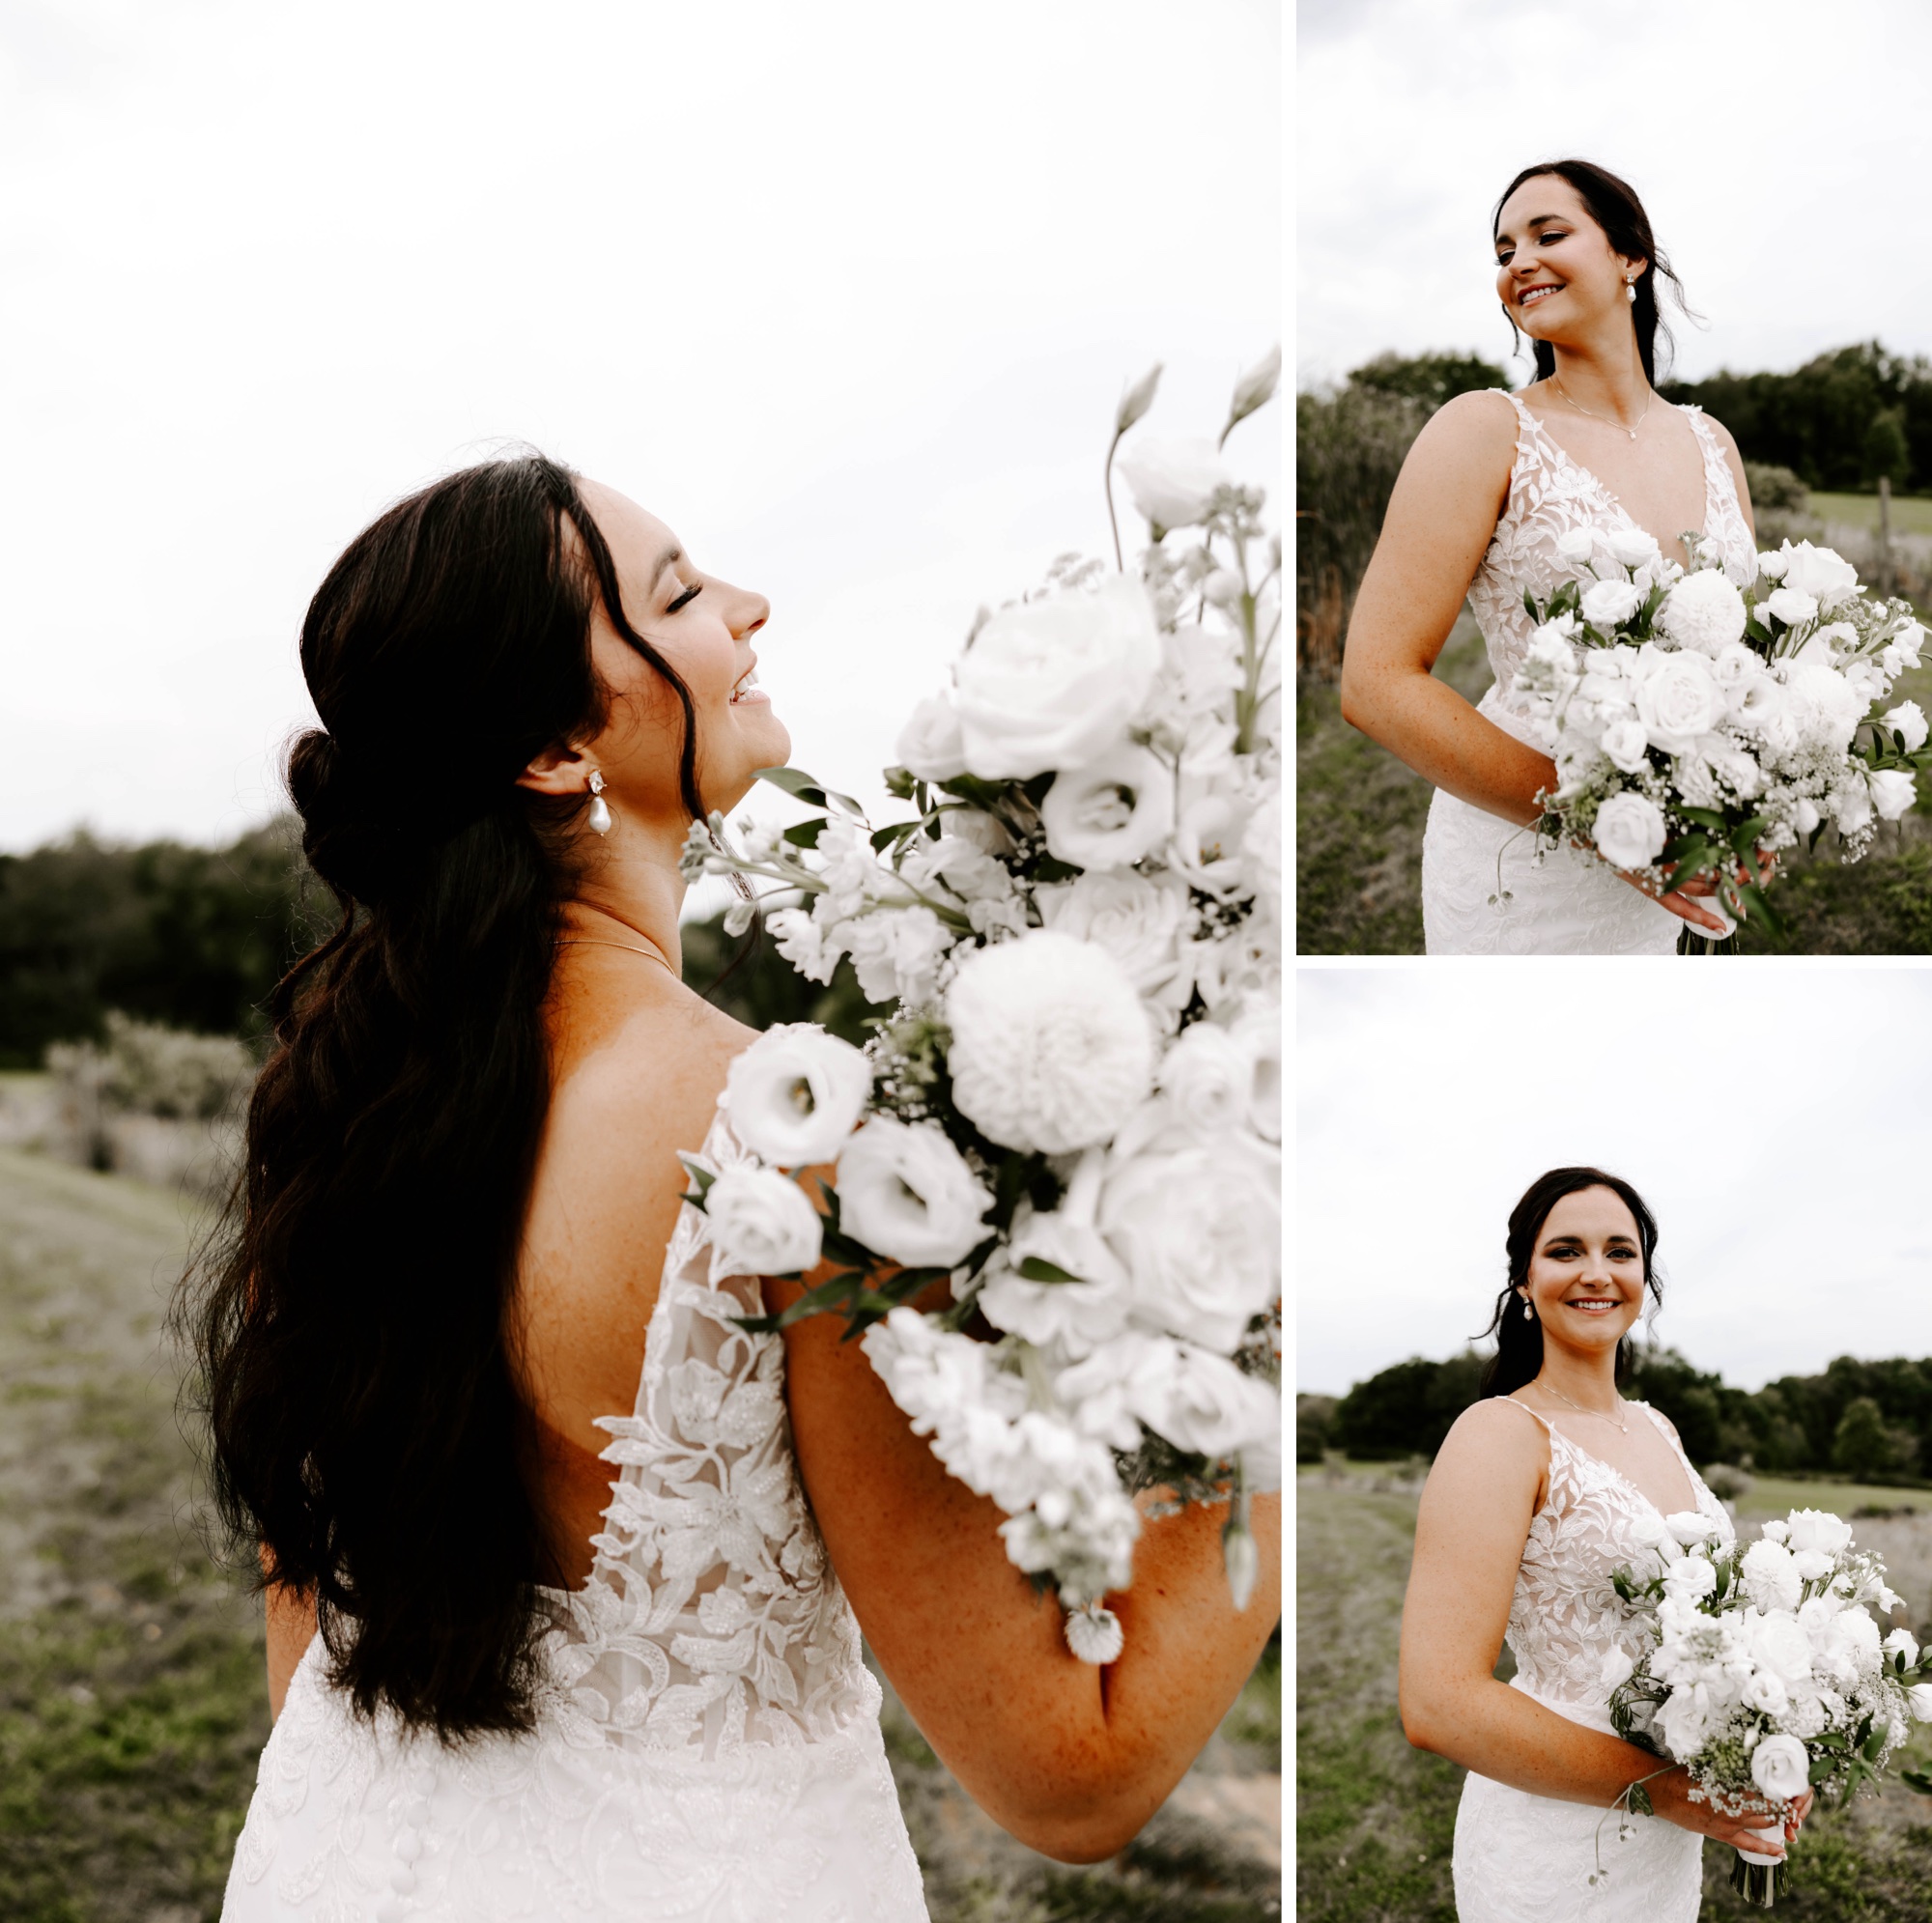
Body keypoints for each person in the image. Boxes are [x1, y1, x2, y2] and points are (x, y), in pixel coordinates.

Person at [188, 454, 1281, 1921]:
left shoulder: (332, 1109)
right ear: (557, 744)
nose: (750, 608)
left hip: (335, 1853)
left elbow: (302, 1595)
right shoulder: (790, 1136)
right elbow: (1071, 1771)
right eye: (683, 592)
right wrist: (1267, 1331)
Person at [1340, 159, 1760, 953]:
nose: (1518, 262)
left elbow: (1749, 658)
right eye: (1503, 252)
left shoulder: (1715, 444)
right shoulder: (1482, 430)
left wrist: (1745, 804)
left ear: (1630, 256)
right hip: (1530, 879)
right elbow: (1376, 682)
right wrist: (1604, 823)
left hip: (1693, 853)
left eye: (1548, 235)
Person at [1397, 1168, 1811, 1920]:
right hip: (1554, 1842)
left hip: (1666, 1849)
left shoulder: (1660, 1427)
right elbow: (1437, 1701)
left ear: (1644, 1277)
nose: (1596, 1271)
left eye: (1620, 1250)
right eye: (1565, 1250)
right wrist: (1676, 1794)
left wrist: (1769, 1745)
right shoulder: (1498, 1434)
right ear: (1524, 1279)